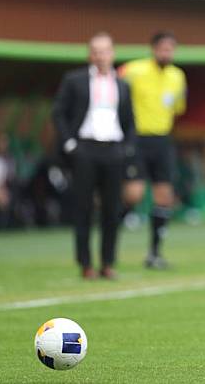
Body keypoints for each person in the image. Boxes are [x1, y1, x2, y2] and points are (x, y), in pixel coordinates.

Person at [52, 32, 135, 279]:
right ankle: (86, 264)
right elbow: (58, 113)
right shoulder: (74, 80)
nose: (101, 56)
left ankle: (108, 263)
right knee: (83, 208)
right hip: (84, 149)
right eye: (96, 51)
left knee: (112, 209)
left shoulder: (122, 84)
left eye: (105, 50)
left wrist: (126, 149)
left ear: (113, 53)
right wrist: (69, 144)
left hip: (113, 150)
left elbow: (130, 121)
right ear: (90, 55)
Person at [120, 31, 187, 269]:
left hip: (162, 141)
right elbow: (114, 92)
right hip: (137, 139)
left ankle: (155, 253)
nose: (167, 53)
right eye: (163, 49)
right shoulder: (133, 71)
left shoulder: (177, 76)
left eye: (171, 49)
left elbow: (177, 108)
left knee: (164, 197)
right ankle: (111, 243)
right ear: (153, 49)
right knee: (134, 194)